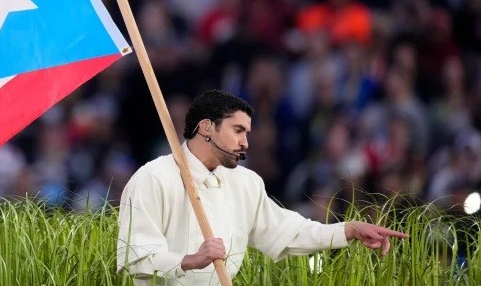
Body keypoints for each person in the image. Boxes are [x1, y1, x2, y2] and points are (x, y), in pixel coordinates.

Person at [117, 90, 408, 285]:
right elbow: (134, 258)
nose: (245, 143)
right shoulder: (153, 178)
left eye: (247, 133)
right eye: (237, 131)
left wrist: (349, 229)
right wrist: (189, 260)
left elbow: (290, 233)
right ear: (206, 128)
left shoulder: (247, 183)